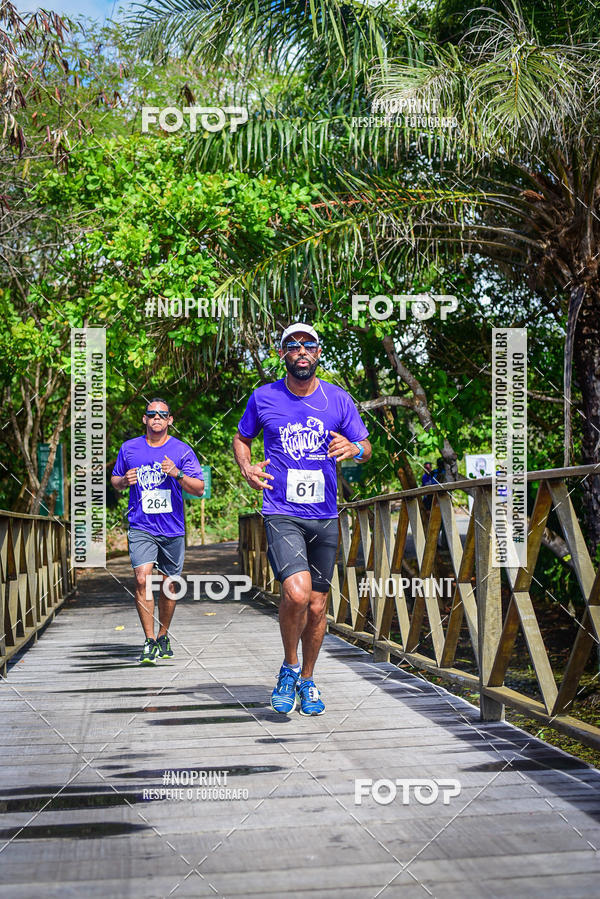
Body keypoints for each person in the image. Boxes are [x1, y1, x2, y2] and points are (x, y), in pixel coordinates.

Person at [233, 323, 371, 715]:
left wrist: (354, 448)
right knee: (296, 592)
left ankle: (308, 680)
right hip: (282, 510)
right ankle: (289, 668)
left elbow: (366, 447)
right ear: (283, 354)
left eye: (308, 344)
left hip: (324, 514)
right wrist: (246, 467)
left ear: (318, 352)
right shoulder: (264, 397)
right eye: (292, 346)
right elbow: (242, 438)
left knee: (317, 604)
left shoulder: (338, 399)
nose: (301, 351)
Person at [111, 398, 204, 664]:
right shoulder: (129, 448)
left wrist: (177, 473)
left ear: (170, 420)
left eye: (162, 414)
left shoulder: (182, 450)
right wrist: (123, 480)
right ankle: (149, 640)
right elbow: (115, 480)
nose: (157, 418)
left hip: (172, 527)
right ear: (144, 418)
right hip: (141, 525)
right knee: (142, 579)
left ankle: (163, 634)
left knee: (169, 584)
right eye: (152, 414)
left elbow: (199, 488)